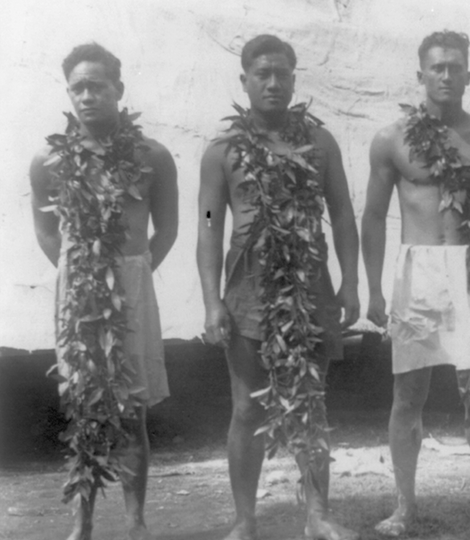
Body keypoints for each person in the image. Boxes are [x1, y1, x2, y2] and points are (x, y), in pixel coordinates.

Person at [362, 30, 470, 537]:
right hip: (418, 270)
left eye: (455, 67)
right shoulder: (392, 139)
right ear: (421, 75)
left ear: (469, 75)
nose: (447, 75)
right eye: (437, 67)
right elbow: (371, 217)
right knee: (408, 395)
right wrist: (374, 290)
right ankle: (404, 505)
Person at [197, 35, 360, 540]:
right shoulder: (221, 151)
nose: (273, 83)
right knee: (247, 405)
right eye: (262, 74)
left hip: (310, 286)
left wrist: (350, 282)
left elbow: (343, 213)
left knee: (312, 398)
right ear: (243, 79)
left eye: (282, 75)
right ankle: (245, 520)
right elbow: (207, 225)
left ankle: (318, 514)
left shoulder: (320, 141)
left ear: (294, 79)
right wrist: (211, 300)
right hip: (247, 288)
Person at [30, 42, 179, 540]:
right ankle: (83, 525)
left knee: (131, 409)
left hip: (132, 288)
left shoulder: (152, 155)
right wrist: (81, 272)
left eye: (98, 85)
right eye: (78, 88)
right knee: (86, 407)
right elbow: (46, 231)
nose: (87, 96)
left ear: (119, 88)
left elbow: (171, 227)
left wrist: (130, 273)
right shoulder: (48, 159)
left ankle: (136, 523)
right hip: (79, 289)